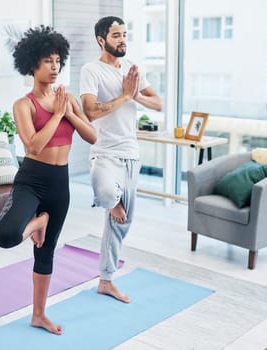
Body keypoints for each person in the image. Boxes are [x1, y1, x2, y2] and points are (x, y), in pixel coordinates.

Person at [0, 25, 96, 335]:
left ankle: (39, 314)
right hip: (31, 180)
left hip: (59, 184)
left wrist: (69, 113)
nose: (54, 67)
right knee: (7, 236)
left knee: (46, 252)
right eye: (47, 61)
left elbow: (92, 136)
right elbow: (33, 145)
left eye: (57, 60)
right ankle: (38, 222)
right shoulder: (23, 104)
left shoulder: (68, 99)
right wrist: (55, 115)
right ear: (31, 64)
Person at [79, 16, 162, 303]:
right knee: (104, 192)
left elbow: (159, 102)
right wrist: (126, 95)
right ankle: (112, 202)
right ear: (102, 39)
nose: (122, 39)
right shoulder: (91, 70)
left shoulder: (131, 69)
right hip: (104, 150)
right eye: (116, 35)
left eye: (124, 34)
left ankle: (106, 280)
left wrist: (134, 94)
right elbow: (89, 111)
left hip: (130, 154)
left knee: (121, 224)